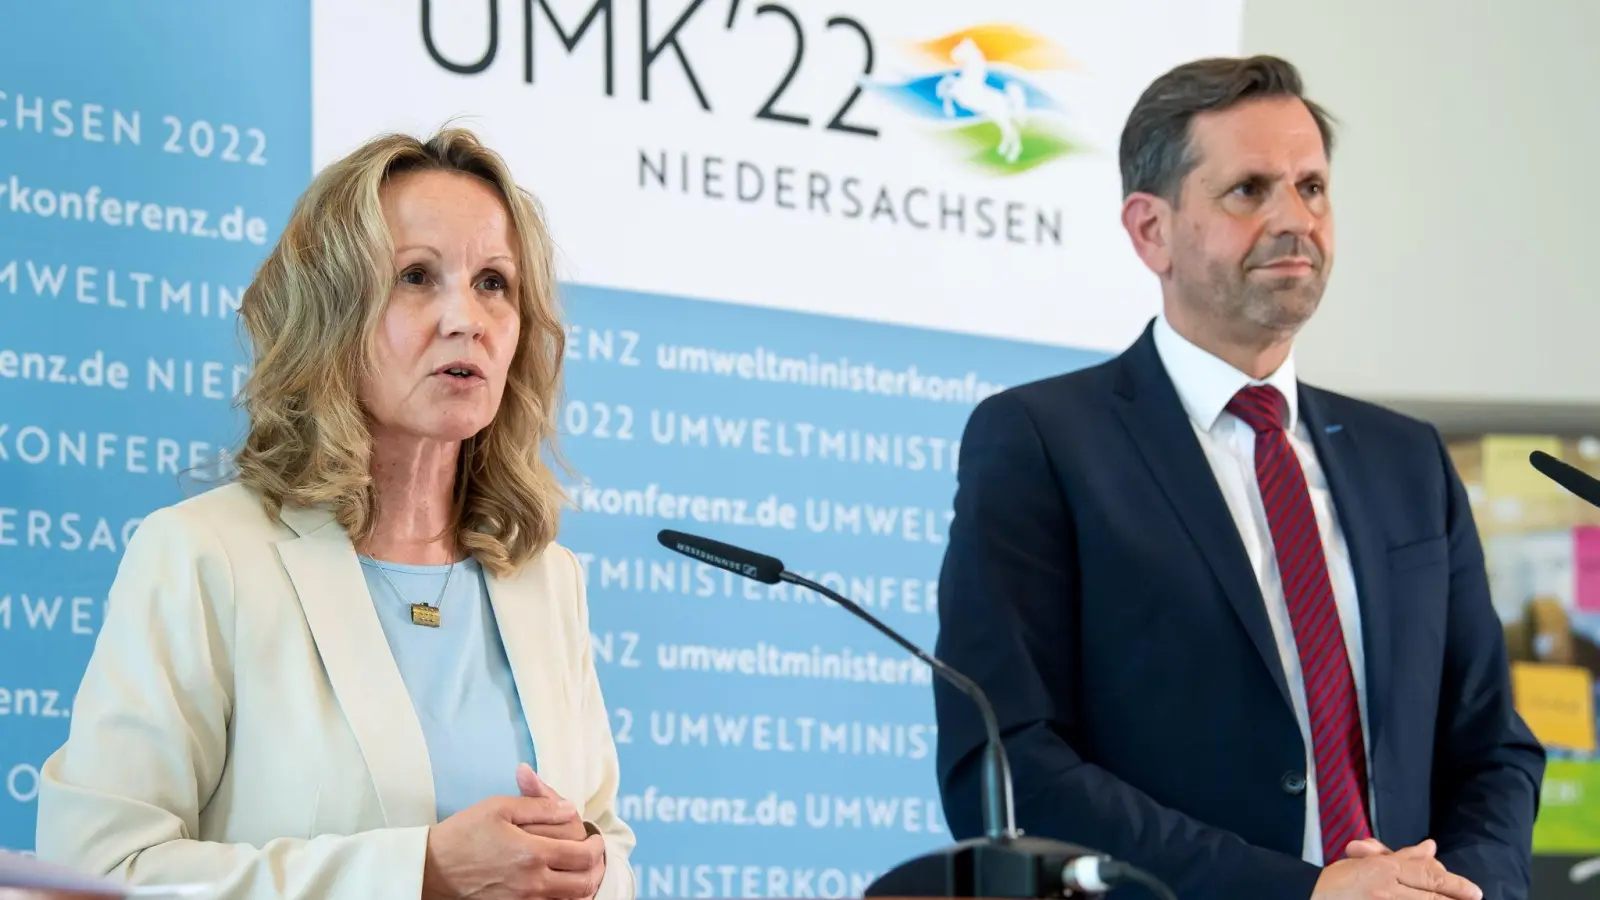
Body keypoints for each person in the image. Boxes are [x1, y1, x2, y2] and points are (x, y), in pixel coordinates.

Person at [933, 56, 1545, 900]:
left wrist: (1463, 892)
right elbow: (1007, 765)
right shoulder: (1042, 441)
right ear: (1150, 230)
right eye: (1249, 191)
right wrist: (1301, 894)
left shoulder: (1408, 460)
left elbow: (1493, 748)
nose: (1295, 220)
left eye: (1313, 187)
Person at [33, 128, 636, 900]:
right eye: (417, 276)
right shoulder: (203, 556)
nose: (468, 319)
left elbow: (606, 837)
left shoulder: (545, 580)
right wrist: (418, 873)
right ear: (331, 315)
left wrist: (592, 870)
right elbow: (94, 875)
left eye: (495, 283)